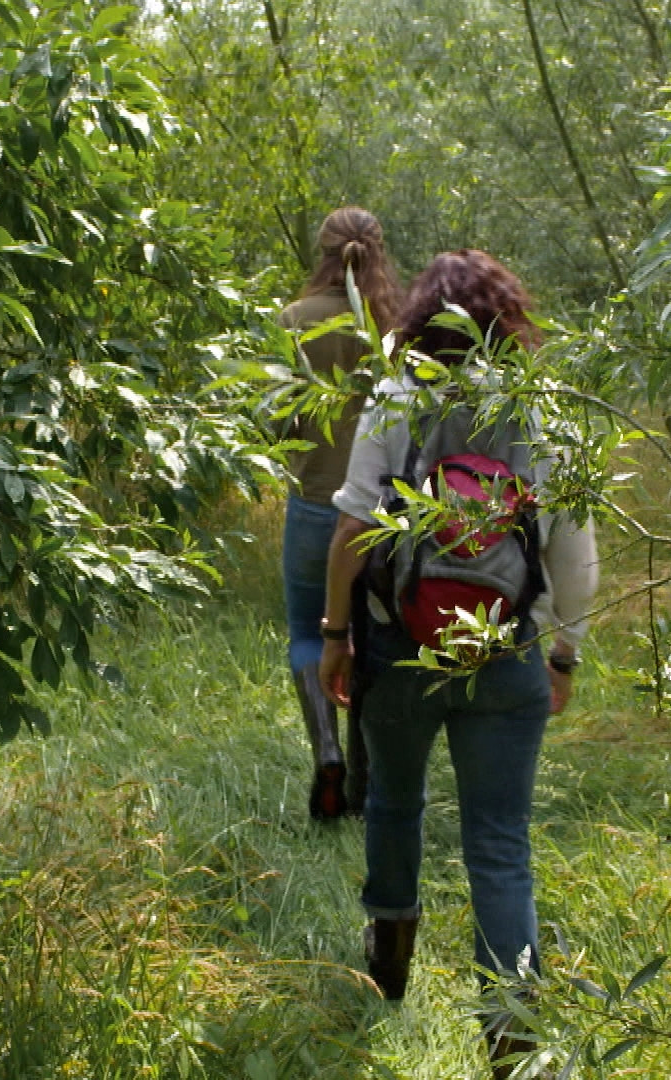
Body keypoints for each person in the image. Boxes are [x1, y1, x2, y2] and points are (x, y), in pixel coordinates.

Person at [317, 250, 599, 1074]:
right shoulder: (544, 409)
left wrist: (337, 635)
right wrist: (564, 653)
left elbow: (351, 528)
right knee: (500, 842)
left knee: (395, 805)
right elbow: (575, 551)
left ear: (417, 316)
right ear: (511, 318)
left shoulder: (399, 395)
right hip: (505, 649)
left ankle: (389, 970)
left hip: (401, 649)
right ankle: (510, 1040)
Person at [277, 207, 403, 822]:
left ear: (320, 252)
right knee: (376, 640)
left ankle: (327, 751)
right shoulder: (399, 326)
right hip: (386, 516)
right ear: (379, 252)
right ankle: (365, 780)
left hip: (313, 503)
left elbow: (276, 420)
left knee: (310, 632)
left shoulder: (295, 321)